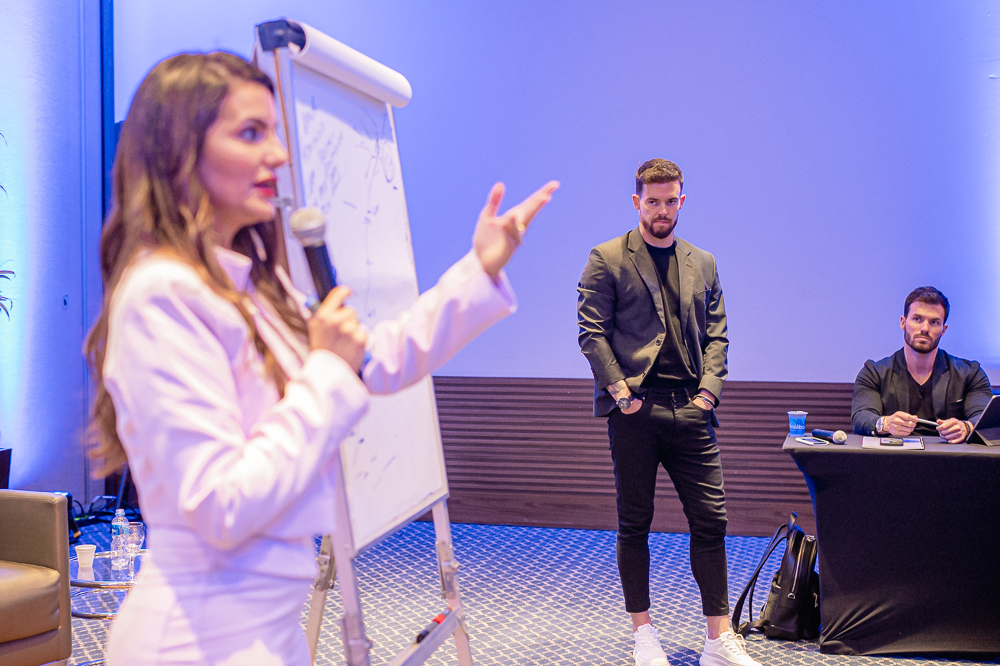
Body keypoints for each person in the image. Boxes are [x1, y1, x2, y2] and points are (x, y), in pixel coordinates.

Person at [85, 52, 557, 666]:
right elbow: (220, 502)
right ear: (178, 150)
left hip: (269, 623)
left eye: (276, 132)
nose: (280, 155)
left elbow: (373, 359)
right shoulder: (162, 295)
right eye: (251, 133)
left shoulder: (251, 286)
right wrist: (328, 370)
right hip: (200, 637)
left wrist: (479, 270)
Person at [577, 159, 759, 666]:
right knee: (635, 523)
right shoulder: (607, 258)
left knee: (712, 521)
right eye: (653, 201)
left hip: (691, 410)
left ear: (683, 200)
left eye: (670, 200)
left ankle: (717, 640)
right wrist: (623, 396)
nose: (662, 210)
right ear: (637, 201)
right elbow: (591, 333)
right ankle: (643, 634)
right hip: (635, 410)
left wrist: (708, 395)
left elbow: (718, 335)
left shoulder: (703, 262)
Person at [852, 286, 992, 441]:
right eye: (917, 319)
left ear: (943, 330)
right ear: (903, 323)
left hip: (950, 454)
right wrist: (885, 424)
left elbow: (985, 419)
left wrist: (966, 427)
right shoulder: (874, 372)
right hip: (894, 453)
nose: (925, 328)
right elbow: (861, 417)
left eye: (934, 322)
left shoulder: (970, 374)